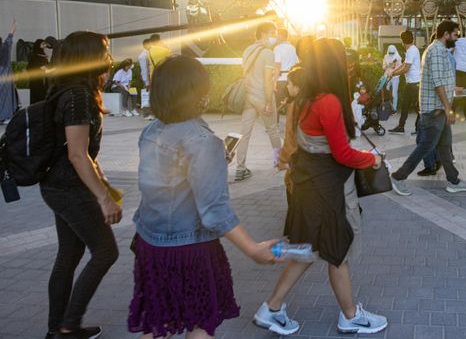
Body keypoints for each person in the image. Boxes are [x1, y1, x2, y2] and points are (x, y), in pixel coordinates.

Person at [128, 56, 279, 338]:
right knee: (200, 323)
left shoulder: (151, 130)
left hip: (150, 240)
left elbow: (168, 179)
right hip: (189, 248)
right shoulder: (201, 140)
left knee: (158, 319)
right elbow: (215, 210)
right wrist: (253, 249)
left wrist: (215, 160)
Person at [254, 38, 388, 336]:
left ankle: (271, 308)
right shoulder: (328, 101)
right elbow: (342, 153)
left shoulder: (305, 99)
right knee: (335, 250)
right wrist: (372, 158)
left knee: (309, 251)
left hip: (308, 187)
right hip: (328, 190)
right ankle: (350, 316)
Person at [40, 31, 120, 339]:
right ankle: (67, 326)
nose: (108, 58)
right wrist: (103, 198)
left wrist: (104, 184)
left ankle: (56, 330)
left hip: (57, 185)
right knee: (105, 251)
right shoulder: (78, 97)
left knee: (69, 256)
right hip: (69, 188)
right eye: (103, 52)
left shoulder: (66, 91)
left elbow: (82, 153)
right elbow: (76, 155)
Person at [390, 21, 466, 196]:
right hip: (435, 110)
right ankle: (398, 177)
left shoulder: (441, 51)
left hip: (439, 109)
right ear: (445, 34)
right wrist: (448, 109)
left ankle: (453, 181)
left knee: (444, 146)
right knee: (426, 146)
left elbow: (441, 81)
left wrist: (454, 90)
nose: (456, 38)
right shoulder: (436, 52)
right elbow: (437, 83)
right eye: (455, 34)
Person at [236, 22, 282, 180]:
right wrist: (269, 102)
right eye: (272, 32)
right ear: (263, 33)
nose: (273, 36)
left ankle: (240, 168)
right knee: (273, 130)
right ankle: (280, 162)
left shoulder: (247, 50)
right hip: (262, 97)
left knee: (244, 134)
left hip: (248, 96)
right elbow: (268, 81)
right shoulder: (268, 53)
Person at [388, 30, 421, 135]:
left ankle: (419, 128)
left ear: (402, 41)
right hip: (411, 83)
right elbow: (404, 64)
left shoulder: (411, 50)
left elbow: (406, 68)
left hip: (414, 84)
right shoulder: (411, 49)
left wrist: (394, 74)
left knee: (418, 108)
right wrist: (394, 71)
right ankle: (401, 127)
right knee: (405, 105)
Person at [273, 28, 298, 114]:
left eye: (277, 35)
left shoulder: (278, 48)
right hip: (291, 79)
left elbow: (277, 65)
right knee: (290, 105)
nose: (276, 37)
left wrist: (274, 81)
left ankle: (275, 126)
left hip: (281, 79)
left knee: (277, 105)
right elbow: (297, 64)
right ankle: (290, 126)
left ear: (281, 36)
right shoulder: (293, 48)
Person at [0, 19, 18, 122]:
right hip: (5, 79)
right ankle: (5, 117)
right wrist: (14, 26)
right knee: (6, 99)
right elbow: (10, 37)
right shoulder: (5, 48)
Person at [26, 38, 51, 104]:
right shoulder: (35, 56)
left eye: (44, 44)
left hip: (41, 81)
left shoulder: (41, 55)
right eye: (43, 44)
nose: (44, 45)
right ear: (38, 45)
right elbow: (30, 68)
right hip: (37, 81)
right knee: (38, 98)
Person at [382, 44, 402, 113]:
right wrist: (388, 66)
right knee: (386, 92)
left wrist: (394, 68)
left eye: (392, 53)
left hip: (395, 77)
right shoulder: (385, 57)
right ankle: (387, 107)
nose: (391, 54)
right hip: (387, 76)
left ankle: (394, 109)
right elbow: (383, 66)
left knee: (394, 94)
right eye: (390, 53)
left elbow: (401, 67)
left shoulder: (398, 57)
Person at [137, 38, 152, 118]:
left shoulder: (150, 53)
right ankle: (146, 114)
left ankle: (150, 113)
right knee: (146, 96)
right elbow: (144, 70)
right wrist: (146, 82)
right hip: (147, 79)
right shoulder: (143, 56)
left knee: (150, 95)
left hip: (150, 77)